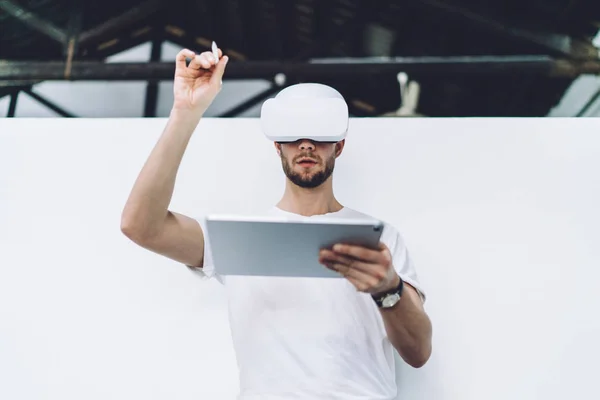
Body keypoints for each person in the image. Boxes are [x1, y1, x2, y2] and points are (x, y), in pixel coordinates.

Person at [121, 46, 432, 399]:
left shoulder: (380, 238)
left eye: (319, 134)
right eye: (293, 135)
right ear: (276, 147)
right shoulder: (239, 237)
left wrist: (388, 289)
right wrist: (185, 111)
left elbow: (418, 353)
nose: (306, 144)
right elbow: (140, 226)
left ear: (339, 146)